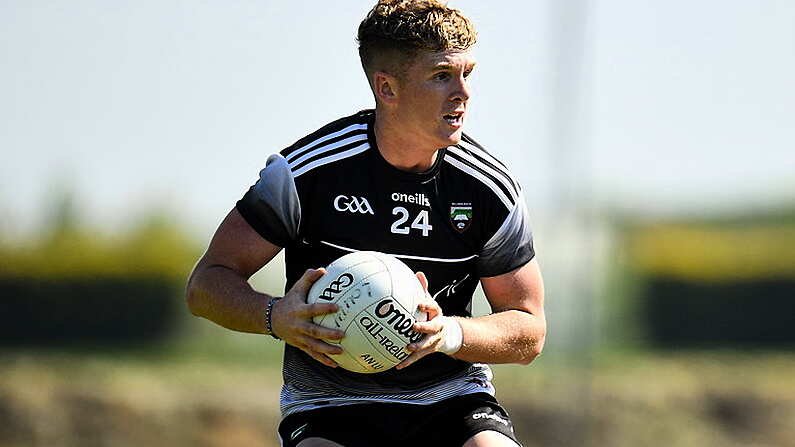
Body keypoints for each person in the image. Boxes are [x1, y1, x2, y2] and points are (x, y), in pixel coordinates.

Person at [186, 1, 546, 446]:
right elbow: (206, 285)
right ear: (387, 88)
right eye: (441, 76)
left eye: (466, 73)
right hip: (328, 405)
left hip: (452, 400)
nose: (463, 92)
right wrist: (274, 315)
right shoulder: (306, 175)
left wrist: (449, 333)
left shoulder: (490, 188)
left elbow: (529, 330)